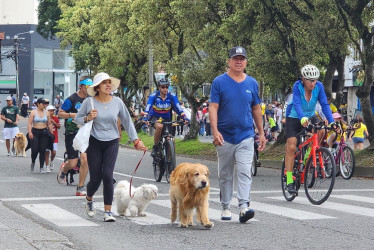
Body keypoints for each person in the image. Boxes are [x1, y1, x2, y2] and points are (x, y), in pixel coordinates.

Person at [75, 72, 147, 222]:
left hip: (112, 141)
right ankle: (89, 199)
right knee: (95, 178)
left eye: (109, 82)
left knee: (108, 175)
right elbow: (77, 119)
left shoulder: (117, 102)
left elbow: (127, 121)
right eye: (104, 83)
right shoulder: (89, 102)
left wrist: (136, 140)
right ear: (97, 87)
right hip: (94, 142)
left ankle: (108, 211)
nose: (108, 85)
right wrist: (88, 117)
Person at [209, 46, 266, 223]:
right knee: (225, 173)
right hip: (224, 136)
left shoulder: (252, 83)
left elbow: (256, 109)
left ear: (246, 62)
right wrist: (215, 130)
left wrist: (262, 133)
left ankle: (243, 207)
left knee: (244, 171)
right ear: (229, 61)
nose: (239, 61)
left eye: (242, 59)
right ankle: (226, 206)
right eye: (235, 58)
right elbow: (213, 107)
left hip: (246, 135)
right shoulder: (219, 82)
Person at [284, 64, 335, 194]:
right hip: (295, 117)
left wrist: (333, 122)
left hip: (310, 116)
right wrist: (301, 118)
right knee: (291, 146)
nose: (313, 83)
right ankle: (289, 180)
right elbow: (296, 103)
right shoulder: (297, 86)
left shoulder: (319, 86)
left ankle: (308, 156)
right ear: (303, 79)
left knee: (322, 130)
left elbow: (324, 104)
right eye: (310, 80)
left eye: (315, 80)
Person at [57, 76, 92, 196]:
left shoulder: (92, 99)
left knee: (85, 159)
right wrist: (72, 115)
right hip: (72, 132)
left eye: (91, 86)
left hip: (86, 132)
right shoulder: (71, 99)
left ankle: (80, 187)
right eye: (87, 86)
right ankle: (64, 169)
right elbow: (60, 113)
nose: (89, 89)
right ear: (80, 86)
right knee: (72, 163)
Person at [143, 78, 189, 156]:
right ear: (159, 88)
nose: (165, 89)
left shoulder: (172, 95)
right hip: (155, 117)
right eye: (163, 87)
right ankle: (155, 147)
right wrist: (145, 117)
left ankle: (170, 159)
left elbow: (178, 107)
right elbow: (148, 107)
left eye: (167, 87)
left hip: (167, 119)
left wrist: (184, 117)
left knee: (170, 138)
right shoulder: (153, 96)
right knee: (159, 126)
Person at [28, 98, 54, 173]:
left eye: (46, 104)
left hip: (44, 132)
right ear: (38, 104)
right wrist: (30, 132)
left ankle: (41, 167)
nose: (45, 105)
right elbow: (30, 123)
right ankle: (33, 161)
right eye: (43, 103)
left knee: (42, 150)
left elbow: (49, 124)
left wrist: (51, 134)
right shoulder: (33, 112)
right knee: (35, 150)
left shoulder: (47, 113)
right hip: (35, 132)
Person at [45, 105, 60, 172]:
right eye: (50, 111)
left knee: (53, 152)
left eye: (53, 111)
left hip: (54, 137)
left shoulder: (55, 118)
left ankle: (52, 161)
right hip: (46, 137)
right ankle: (47, 166)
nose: (52, 112)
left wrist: (54, 122)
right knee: (47, 151)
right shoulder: (44, 118)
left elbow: (59, 126)